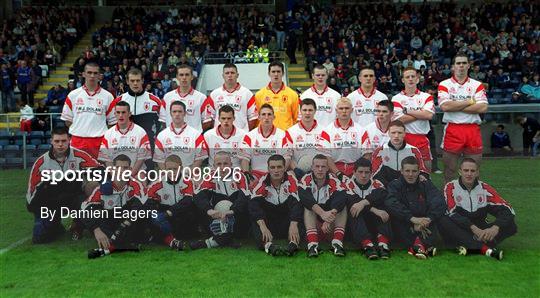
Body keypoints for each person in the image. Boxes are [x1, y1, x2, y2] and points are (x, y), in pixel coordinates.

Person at [27, 127, 101, 243]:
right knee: (40, 238)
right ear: (51, 141)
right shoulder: (41, 163)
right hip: (51, 202)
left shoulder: (79, 156)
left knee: (93, 185)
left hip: (74, 198)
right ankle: (54, 224)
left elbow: (99, 169)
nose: (60, 144)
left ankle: (80, 224)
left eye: (63, 141)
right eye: (57, 141)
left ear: (69, 140)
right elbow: (32, 194)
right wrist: (39, 213)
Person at [439, 158, 517, 260]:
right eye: (466, 170)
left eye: (472, 171)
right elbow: (450, 212)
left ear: (477, 173)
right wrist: (474, 228)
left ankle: (469, 246)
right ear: (460, 171)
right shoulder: (450, 187)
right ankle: (484, 248)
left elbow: (508, 209)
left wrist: (495, 227)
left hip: (480, 229)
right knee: (442, 220)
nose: (469, 174)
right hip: (461, 228)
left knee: (511, 225)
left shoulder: (484, 188)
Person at [82, 154, 148, 259]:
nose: (121, 171)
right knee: (95, 211)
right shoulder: (103, 187)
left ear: (130, 169)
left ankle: (111, 247)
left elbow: (139, 207)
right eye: (118, 167)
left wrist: (124, 225)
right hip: (111, 224)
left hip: (129, 222)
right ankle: (126, 246)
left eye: (125, 168)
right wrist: (96, 230)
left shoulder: (136, 185)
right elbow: (85, 208)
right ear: (113, 169)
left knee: (141, 211)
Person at [438, 53, 488, 182]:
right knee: (450, 170)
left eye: (464, 63)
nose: (461, 66)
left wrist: (455, 105)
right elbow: (445, 107)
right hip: (453, 129)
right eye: (458, 63)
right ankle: (448, 199)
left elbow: (482, 108)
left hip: (472, 129)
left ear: (468, 66)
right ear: (453, 67)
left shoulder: (477, 85)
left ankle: (474, 200)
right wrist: (470, 102)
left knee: (474, 170)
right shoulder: (445, 84)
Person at [385, 156, 446, 259]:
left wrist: (428, 219)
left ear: (419, 172)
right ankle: (424, 246)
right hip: (405, 221)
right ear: (402, 171)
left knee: (436, 219)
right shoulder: (394, 185)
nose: (410, 174)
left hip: (424, 221)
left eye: (414, 171)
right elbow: (391, 203)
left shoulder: (426, 184)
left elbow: (439, 201)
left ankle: (417, 247)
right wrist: (413, 220)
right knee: (395, 218)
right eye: (407, 171)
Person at [190, 151, 250, 250]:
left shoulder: (240, 176)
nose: (222, 167)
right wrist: (209, 210)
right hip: (217, 217)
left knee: (245, 203)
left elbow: (244, 197)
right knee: (198, 204)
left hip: (235, 216)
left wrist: (232, 211)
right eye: (219, 164)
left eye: (225, 164)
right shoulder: (210, 176)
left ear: (231, 164)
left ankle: (210, 242)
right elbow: (198, 195)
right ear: (213, 165)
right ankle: (228, 239)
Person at [61, 62, 119, 158]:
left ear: (100, 76)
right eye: (89, 72)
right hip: (77, 140)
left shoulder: (108, 96)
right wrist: (81, 129)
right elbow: (68, 121)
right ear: (84, 74)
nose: (92, 76)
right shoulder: (73, 95)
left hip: (99, 141)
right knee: (76, 172)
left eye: (95, 73)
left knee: (98, 172)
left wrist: (97, 131)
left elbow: (112, 122)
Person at [249, 154, 302, 256]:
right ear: (268, 169)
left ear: (284, 168)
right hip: (270, 224)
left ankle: (293, 245)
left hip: (287, 222)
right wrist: (263, 226)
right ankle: (269, 246)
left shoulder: (291, 179)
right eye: (272, 167)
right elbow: (253, 205)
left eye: (279, 167)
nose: (276, 170)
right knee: (256, 221)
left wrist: (293, 224)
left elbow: (297, 203)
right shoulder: (263, 181)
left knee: (300, 214)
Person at [298, 155, 348, 257]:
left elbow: (342, 198)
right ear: (312, 167)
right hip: (314, 222)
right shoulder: (305, 179)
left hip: (331, 224)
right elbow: (305, 199)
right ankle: (313, 245)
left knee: (343, 208)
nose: (320, 169)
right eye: (317, 166)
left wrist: (329, 217)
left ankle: (337, 244)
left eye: (323, 167)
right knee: (308, 208)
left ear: (328, 168)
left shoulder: (334, 179)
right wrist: (322, 214)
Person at [146, 155, 198, 252]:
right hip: (164, 215)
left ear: (181, 168)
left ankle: (165, 238)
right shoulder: (156, 183)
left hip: (181, 214)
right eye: (169, 169)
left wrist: (169, 212)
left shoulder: (188, 181)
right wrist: (156, 215)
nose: (172, 172)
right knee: (153, 216)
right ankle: (171, 240)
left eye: (175, 169)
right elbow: (149, 203)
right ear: (164, 169)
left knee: (192, 213)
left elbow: (187, 201)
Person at [344, 158, 391, 260]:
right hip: (356, 227)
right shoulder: (348, 184)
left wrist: (363, 202)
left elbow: (381, 194)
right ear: (354, 172)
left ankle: (383, 244)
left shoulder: (377, 183)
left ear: (371, 173)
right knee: (354, 209)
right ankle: (368, 246)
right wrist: (374, 209)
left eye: (367, 172)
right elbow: (352, 201)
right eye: (360, 172)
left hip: (374, 223)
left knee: (383, 208)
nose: (364, 175)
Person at [117, 68, 165, 165]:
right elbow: (113, 124)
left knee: (148, 177)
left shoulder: (155, 101)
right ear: (127, 81)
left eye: (138, 80)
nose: (135, 83)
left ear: (142, 81)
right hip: (126, 146)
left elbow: (163, 124)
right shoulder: (119, 101)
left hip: (148, 146)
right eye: (132, 81)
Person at [392, 67, 435, 171]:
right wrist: (421, 113)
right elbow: (399, 121)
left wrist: (408, 111)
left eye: (413, 76)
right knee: (402, 170)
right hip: (404, 138)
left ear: (417, 79)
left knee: (426, 170)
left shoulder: (426, 97)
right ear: (403, 80)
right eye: (407, 77)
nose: (410, 79)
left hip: (422, 138)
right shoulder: (396, 98)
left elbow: (429, 116)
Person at [240, 104, 291, 181]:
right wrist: (247, 175)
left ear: (274, 117)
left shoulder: (283, 135)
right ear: (259, 117)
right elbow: (245, 159)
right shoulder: (249, 136)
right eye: (263, 114)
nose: (266, 118)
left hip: (276, 176)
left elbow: (287, 159)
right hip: (256, 176)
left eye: (269, 114)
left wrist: (279, 175)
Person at [98, 101, 151, 175]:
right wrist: (115, 175)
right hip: (116, 174)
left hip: (136, 172)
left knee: (142, 178)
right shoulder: (108, 133)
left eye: (123, 112)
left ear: (129, 114)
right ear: (114, 114)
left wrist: (130, 175)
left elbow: (141, 159)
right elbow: (107, 160)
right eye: (118, 112)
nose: (120, 115)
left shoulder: (141, 132)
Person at [371, 120, 428, 186]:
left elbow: (422, 170)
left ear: (404, 134)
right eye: (393, 133)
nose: (396, 136)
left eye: (399, 133)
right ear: (388, 133)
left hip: (408, 186)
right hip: (386, 187)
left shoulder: (413, 150)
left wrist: (422, 176)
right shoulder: (380, 151)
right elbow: (374, 173)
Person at [154, 101, 207, 170]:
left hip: (188, 176)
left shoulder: (196, 134)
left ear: (185, 113)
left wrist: (189, 173)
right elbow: (159, 159)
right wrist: (168, 174)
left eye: (180, 111)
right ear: (170, 113)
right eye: (174, 111)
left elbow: (199, 159)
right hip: (168, 176)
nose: (177, 114)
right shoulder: (162, 135)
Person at [160, 64, 214, 131]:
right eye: (181, 75)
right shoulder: (167, 97)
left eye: (187, 75)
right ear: (177, 77)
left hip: (193, 139)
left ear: (192, 77)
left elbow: (207, 121)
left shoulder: (201, 98)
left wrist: (195, 134)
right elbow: (163, 121)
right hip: (172, 139)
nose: (184, 77)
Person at [286, 98, 330, 178]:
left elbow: (327, 155)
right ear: (300, 111)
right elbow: (288, 156)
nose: (307, 113)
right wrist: (295, 169)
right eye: (304, 110)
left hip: (319, 173)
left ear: (315, 111)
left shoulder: (324, 131)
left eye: (310, 110)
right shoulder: (290, 132)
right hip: (297, 172)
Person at [325, 97, 367, 179]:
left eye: (347, 108)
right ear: (336, 110)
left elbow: (367, 154)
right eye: (341, 108)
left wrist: (358, 172)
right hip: (334, 172)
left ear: (352, 110)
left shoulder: (361, 130)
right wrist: (337, 173)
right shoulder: (327, 131)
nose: (344, 111)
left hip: (356, 171)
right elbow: (325, 155)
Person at [208, 63, 257, 131]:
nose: (230, 75)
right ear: (223, 76)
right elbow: (210, 118)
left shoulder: (247, 94)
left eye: (232, 73)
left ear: (237, 75)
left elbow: (253, 118)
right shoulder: (214, 94)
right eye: (227, 73)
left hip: (240, 137)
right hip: (219, 138)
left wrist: (244, 132)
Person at [254, 62, 299, 130]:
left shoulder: (292, 95)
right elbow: (257, 118)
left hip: (285, 135)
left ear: (283, 73)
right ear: (269, 73)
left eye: (278, 71)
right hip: (266, 136)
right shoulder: (259, 95)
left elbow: (296, 118)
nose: (276, 74)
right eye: (273, 71)